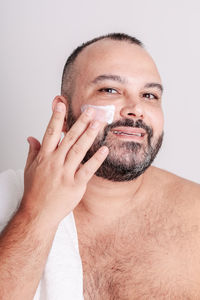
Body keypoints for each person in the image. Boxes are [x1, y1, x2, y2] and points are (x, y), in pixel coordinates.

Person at [0, 33, 200, 300]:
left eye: (150, 95)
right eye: (110, 90)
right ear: (64, 112)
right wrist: (35, 214)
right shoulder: (7, 199)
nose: (136, 109)